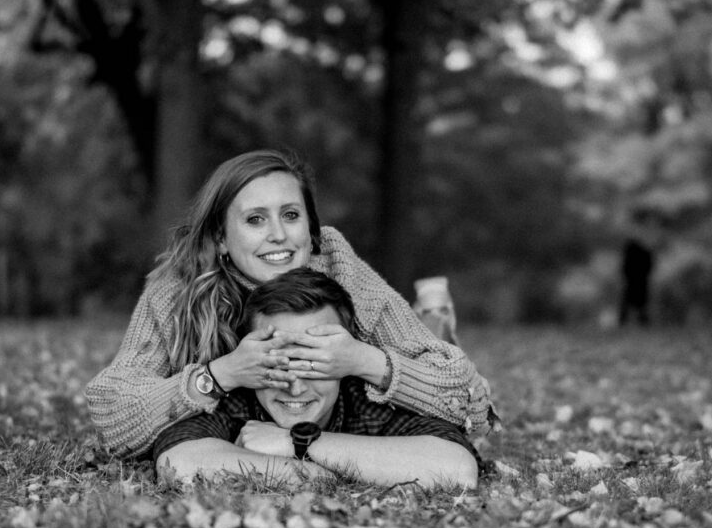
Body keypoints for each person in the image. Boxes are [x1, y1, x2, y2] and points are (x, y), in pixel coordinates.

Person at [84, 149, 494, 460]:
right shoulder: (181, 286)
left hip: (339, 410)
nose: (278, 234)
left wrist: (363, 360)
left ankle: (434, 318)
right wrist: (223, 373)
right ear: (222, 238)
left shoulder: (336, 267)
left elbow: (470, 405)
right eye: (255, 220)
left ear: (312, 231)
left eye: (291, 215)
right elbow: (112, 417)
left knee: (433, 349)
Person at [152, 268, 481, 489]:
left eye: (314, 363)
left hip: (431, 373)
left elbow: (457, 468)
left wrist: (295, 443)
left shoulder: (367, 397)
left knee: (442, 350)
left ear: (342, 358)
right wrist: (308, 472)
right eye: (278, 363)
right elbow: (178, 461)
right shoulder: (236, 396)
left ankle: (435, 318)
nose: (295, 386)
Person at [618, 236, 654, 326]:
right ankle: (641, 323)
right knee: (640, 306)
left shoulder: (635, 255)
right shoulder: (644, 254)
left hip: (635, 284)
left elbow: (625, 270)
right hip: (639, 284)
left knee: (635, 306)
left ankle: (626, 323)